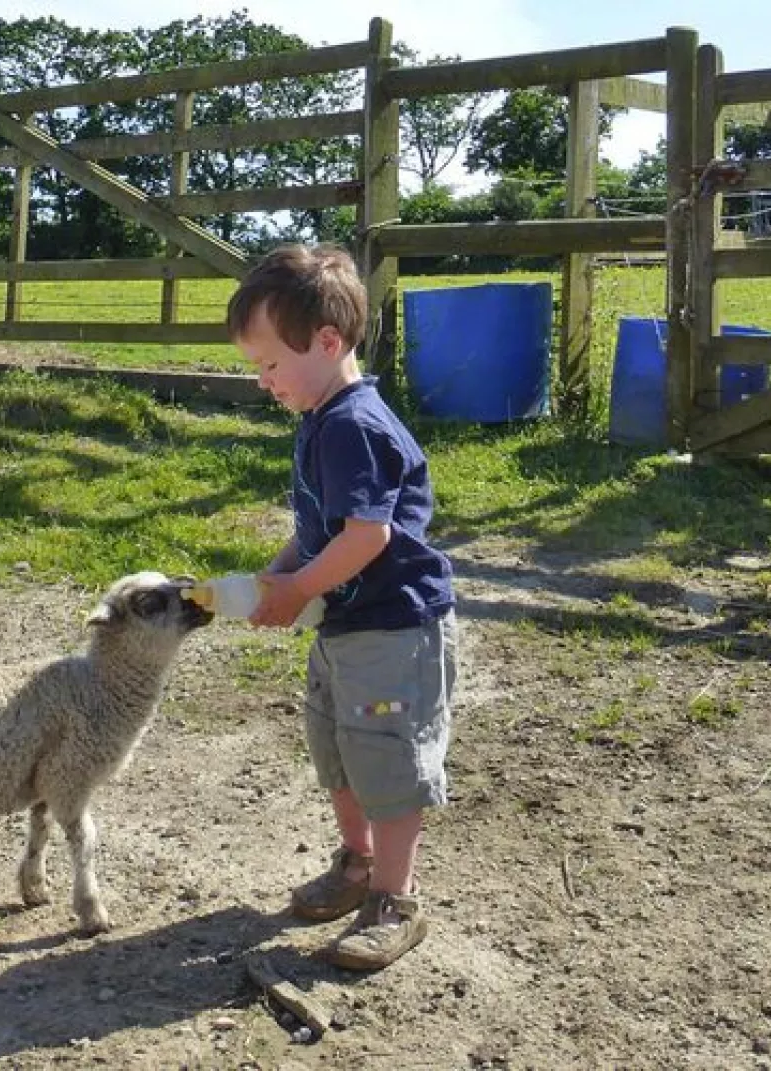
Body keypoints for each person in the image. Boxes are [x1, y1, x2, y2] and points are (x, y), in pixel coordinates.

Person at [225, 243, 458, 971]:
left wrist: (297, 590)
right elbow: (319, 529)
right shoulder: (320, 418)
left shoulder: (354, 425)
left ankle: (395, 897)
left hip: (392, 630)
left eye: (269, 364)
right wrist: (282, 570)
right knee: (340, 753)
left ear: (327, 343)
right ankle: (355, 864)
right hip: (345, 629)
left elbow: (366, 537)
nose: (263, 381)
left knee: (387, 763)